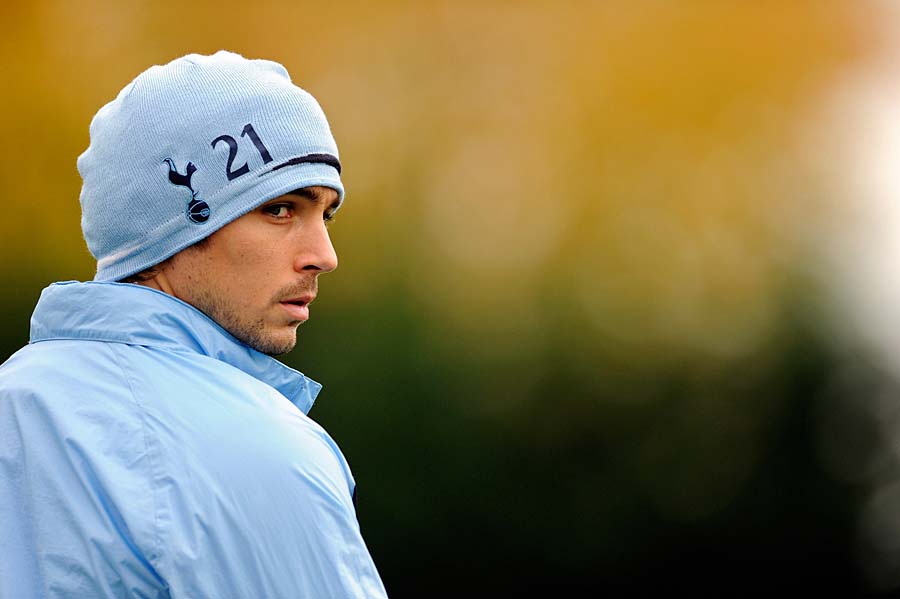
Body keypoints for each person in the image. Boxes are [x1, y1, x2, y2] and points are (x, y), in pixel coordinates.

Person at [0, 50, 388, 597]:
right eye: (280, 208)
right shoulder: (265, 456)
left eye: (325, 214)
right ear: (172, 226)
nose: (324, 255)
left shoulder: (15, 400)